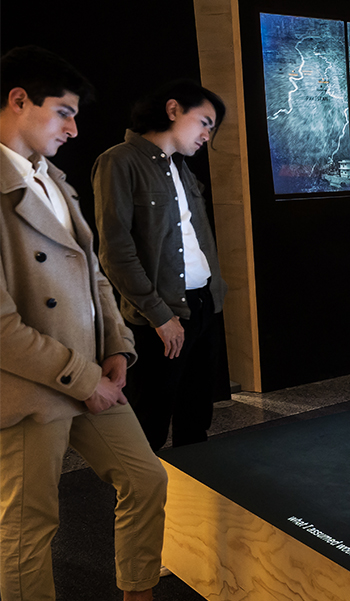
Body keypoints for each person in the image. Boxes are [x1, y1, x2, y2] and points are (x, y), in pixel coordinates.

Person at [0, 46, 220, 601]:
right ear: (17, 101)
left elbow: (93, 273)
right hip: (27, 386)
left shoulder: (52, 177)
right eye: (62, 112)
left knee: (144, 477)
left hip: (94, 370)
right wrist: (83, 377)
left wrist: (119, 346)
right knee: (30, 518)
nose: (72, 128)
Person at [92, 80, 229, 452]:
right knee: (149, 423)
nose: (207, 134)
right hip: (161, 316)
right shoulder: (118, 161)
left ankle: (198, 500)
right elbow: (116, 252)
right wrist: (160, 316)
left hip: (204, 306)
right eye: (204, 122)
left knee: (197, 419)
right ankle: (145, 507)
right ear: (173, 110)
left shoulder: (180, 167)